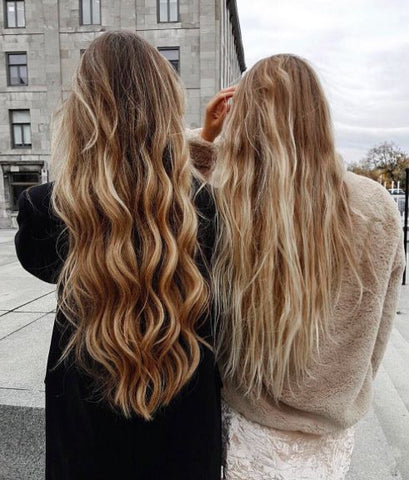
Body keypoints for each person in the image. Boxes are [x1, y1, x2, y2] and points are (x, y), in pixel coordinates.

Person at [14, 31, 223, 480]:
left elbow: (39, 259)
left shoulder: (45, 211)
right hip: (185, 431)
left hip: (86, 435)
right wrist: (202, 142)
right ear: (168, 107)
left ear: (84, 111)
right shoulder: (209, 210)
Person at [203, 54, 406, 479]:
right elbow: (381, 322)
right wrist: (350, 384)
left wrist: (206, 135)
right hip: (329, 433)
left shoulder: (233, 200)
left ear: (246, 117)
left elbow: (170, 169)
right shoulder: (376, 207)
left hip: (250, 423)